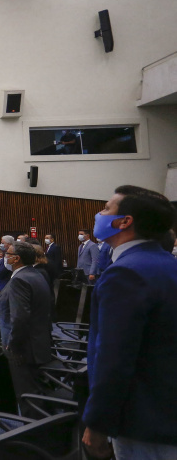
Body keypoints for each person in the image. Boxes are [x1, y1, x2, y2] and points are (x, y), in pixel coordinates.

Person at [81, 185, 177, 459]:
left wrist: (98, 422)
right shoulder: (165, 263)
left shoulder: (125, 273)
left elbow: (114, 358)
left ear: (124, 221)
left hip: (144, 420)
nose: (99, 214)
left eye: (106, 208)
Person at [0, 242, 53, 418]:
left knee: (28, 397)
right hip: (38, 341)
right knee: (35, 392)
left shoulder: (19, 280)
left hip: (23, 348)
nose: (4, 257)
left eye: (7, 254)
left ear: (16, 259)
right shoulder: (37, 274)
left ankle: (33, 432)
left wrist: (13, 345)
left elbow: (19, 318)